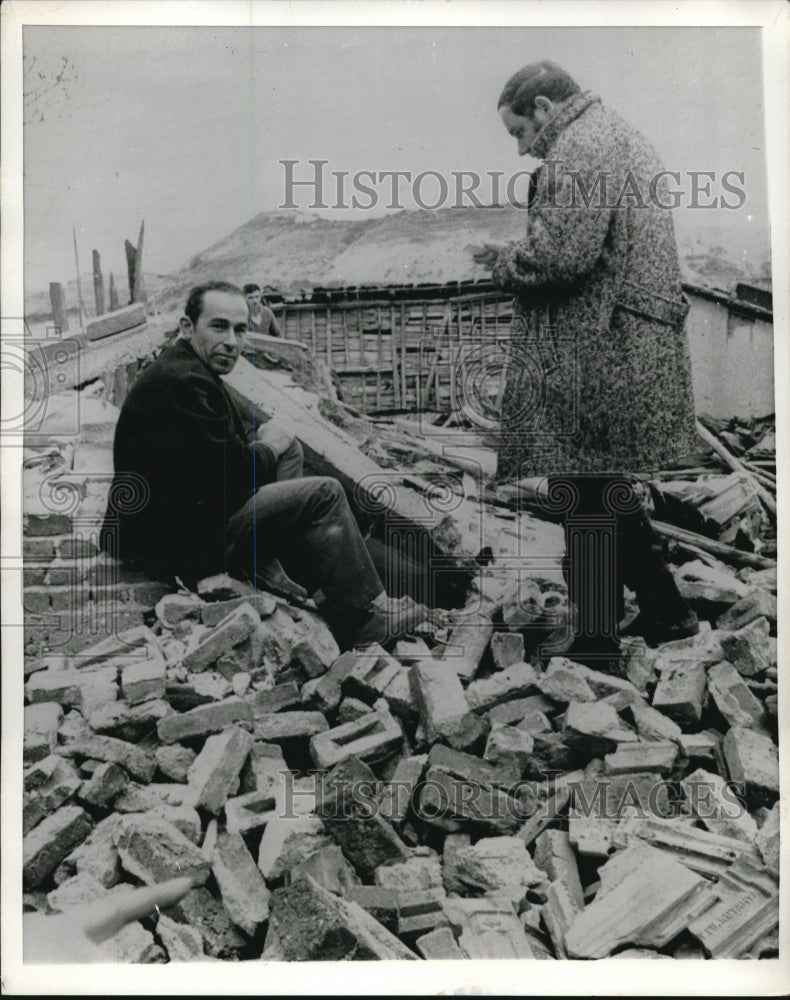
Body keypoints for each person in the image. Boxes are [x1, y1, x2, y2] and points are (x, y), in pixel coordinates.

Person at [472, 61, 699, 658]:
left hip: (604, 343)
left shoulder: (582, 146)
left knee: (582, 484)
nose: (523, 151)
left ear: (545, 107)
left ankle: (596, 640)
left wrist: (504, 260)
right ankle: (666, 611)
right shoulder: (614, 134)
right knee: (599, 481)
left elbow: (564, 254)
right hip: (622, 339)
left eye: (520, 132)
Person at [100, 280, 432, 649]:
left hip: (186, 524)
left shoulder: (189, 371)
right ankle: (360, 621)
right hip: (180, 543)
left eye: (240, 330)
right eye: (219, 326)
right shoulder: (185, 381)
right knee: (325, 492)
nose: (231, 341)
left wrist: (272, 451)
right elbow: (234, 475)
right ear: (186, 327)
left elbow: (220, 464)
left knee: (293, 467)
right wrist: (269, 448)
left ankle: (292, 569)